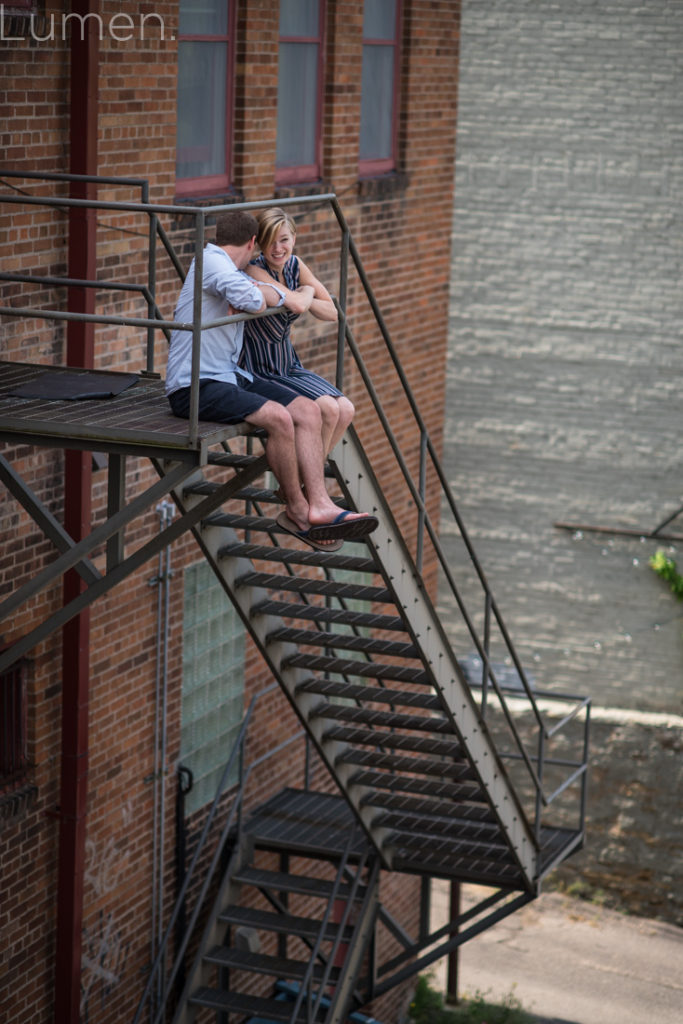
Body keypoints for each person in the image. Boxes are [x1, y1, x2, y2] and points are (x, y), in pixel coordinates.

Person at [165, 209, 377, 549]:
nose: (275, 249)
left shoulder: (229, 265)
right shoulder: (215, 264)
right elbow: (253, 299)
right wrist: (268, 294)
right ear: (253, 243)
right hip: (195, 384)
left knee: (308, 411)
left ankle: (320, 503)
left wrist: (267, 294)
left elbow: (262, 299)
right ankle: (297, 510)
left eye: (284, 240)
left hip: (231, 374)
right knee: (279, 418)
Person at [242, 207, 355, 459]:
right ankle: (310, 485)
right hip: (259, 365)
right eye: (270, 242)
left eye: (284, 240)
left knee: (345, 409)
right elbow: (297, 304)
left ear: (294, 238)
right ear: (259, 243)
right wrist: (308, 292)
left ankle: (308, 482)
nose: (278, 248)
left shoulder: (295, 264)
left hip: (287, 361)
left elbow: (333, 312)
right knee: (328, 408)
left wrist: (307, 297)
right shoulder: (254, 269)